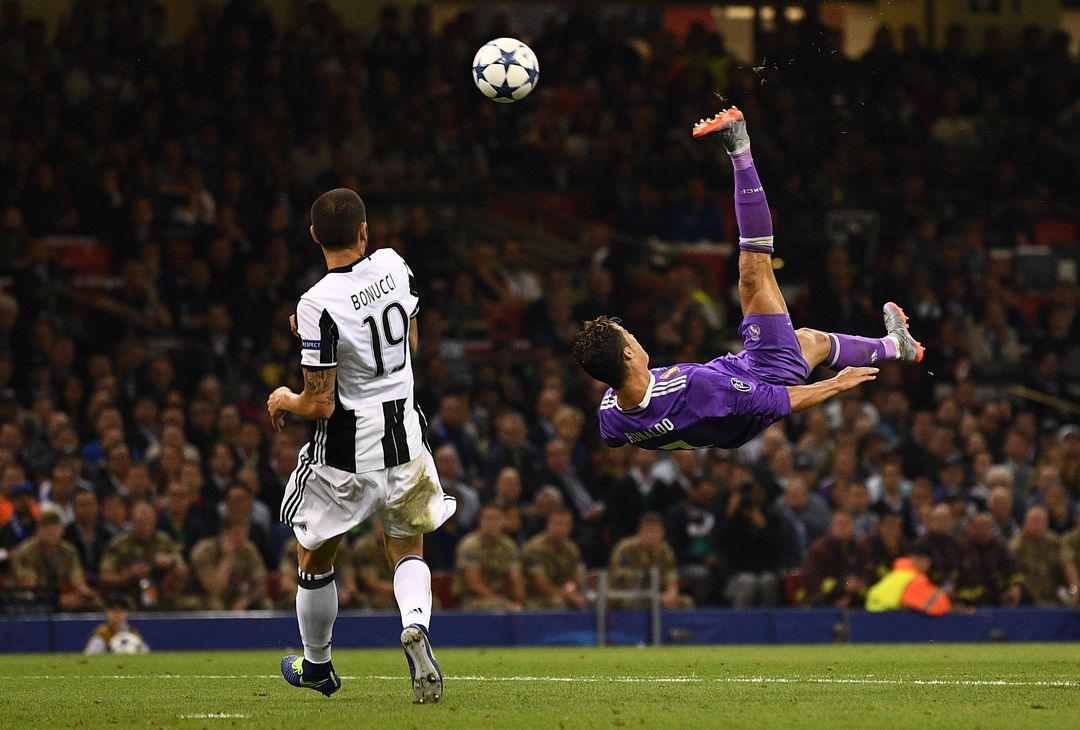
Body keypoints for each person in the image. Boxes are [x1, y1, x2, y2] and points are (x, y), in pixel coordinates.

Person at [573, 108, 922, 453]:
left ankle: (896, 346)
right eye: (628, 336)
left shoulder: (611, 416)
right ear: (630, 353)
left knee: (809, 341)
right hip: (764, 380)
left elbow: (615, 437)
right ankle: (738, 145)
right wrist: (837, 383)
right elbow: (777, 402)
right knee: (753, 271)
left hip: (737, 379)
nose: (634, 334)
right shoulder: (697, 390)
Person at [266, 189, 455, 703]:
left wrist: (285, 397)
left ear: (313, 237)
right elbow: (408, 346)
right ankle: (415, 625)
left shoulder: (315, 303)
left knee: (313, 556)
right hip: (406, 440)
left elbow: (320, 403)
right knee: (407, 546)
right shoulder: (395, 266)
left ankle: (318, 666)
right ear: (364, 230)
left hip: (345, 456)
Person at [609, 512, 693, 609]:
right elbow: (624, 579)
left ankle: (674, 624)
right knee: (632, 602)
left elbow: (670, 577)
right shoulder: (626, 548)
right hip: (625, 594)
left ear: (663, 534)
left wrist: (671, 594)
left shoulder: (665, 552)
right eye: (648, 531)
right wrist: (655, 596)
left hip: (654, 596)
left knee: (686, 602)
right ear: (639, 532)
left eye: (656, 532)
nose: (652, 536)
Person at [452, 503, 525, 610]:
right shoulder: (470, 544)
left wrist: (520, 602)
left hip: (499, 596)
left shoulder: (508, 545)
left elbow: (515, 578)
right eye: (487, 518)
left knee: (527, 608)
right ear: (480, 521)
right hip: (471, 598)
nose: (491, 523)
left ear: (503, 522)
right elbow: (473, 583)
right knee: (495, 608)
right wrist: (502, 602)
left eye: (496, 519)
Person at [190, 516, 270, 611]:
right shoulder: (204, 551)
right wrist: (227, 558)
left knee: (265, 604)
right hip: (205, 597)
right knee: (215, 606)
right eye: (236, 534)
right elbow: (214, 590)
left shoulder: (248, 550)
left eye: (244, 534)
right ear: (224, 533)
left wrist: (245, 601)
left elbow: (261, 583)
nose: (241, 539)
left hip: (238, 597)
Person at [521, 508, 586, 609]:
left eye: (565, 525)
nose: (560, 528)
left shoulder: (571, 549)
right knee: (558, 603)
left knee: (590, 603)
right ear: (548, 525)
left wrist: (584, 596)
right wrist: (570, 596)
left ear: (570, 528)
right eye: (557, 523)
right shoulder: (535, 548)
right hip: (534, 597)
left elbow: (579, 578)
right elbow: (541, 586)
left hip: (563, 594)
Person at [865, 543, 952, 615]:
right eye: (921, 559)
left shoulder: (895, 575)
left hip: (873, 621)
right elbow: (940, 606)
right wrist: (945, 595)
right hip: (888, 623)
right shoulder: (915, 579)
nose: (924, 564)